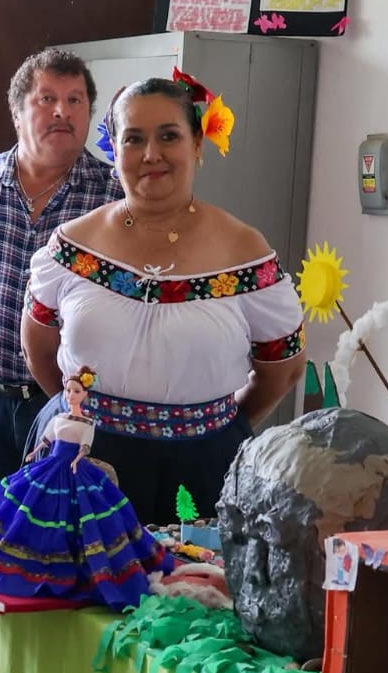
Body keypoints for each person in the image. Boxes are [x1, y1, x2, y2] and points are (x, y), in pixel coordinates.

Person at [21, 74, 307, 525]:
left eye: (168, 136)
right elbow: (38, 347)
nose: (151, 154)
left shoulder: (245, 252)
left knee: (189, 573)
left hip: (201, 466)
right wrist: (84, 412)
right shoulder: (71, 246)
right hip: (82, 460)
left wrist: (213, 427)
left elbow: (284, 368)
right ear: (114, 150)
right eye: (133, 139)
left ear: (197, 144)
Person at [0, 48, 122, 501]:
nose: (62, 111)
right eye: (47, 99)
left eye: (75, 100)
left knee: (58, 526)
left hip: (70, 407)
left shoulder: (114, 196)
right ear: (17, 111)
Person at [0, 365, 169, 609]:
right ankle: (19, 566)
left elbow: (85, 447)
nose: (71, 395)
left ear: (85, 394)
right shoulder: (59, 417)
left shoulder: (87, 422)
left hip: (74, 469)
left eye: (76, 391)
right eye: (68, 390)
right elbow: (46, 439)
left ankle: (71, 572)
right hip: (50, 464)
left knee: (80, 515)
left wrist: (78, 461)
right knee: (25, 503)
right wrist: (35, 452)